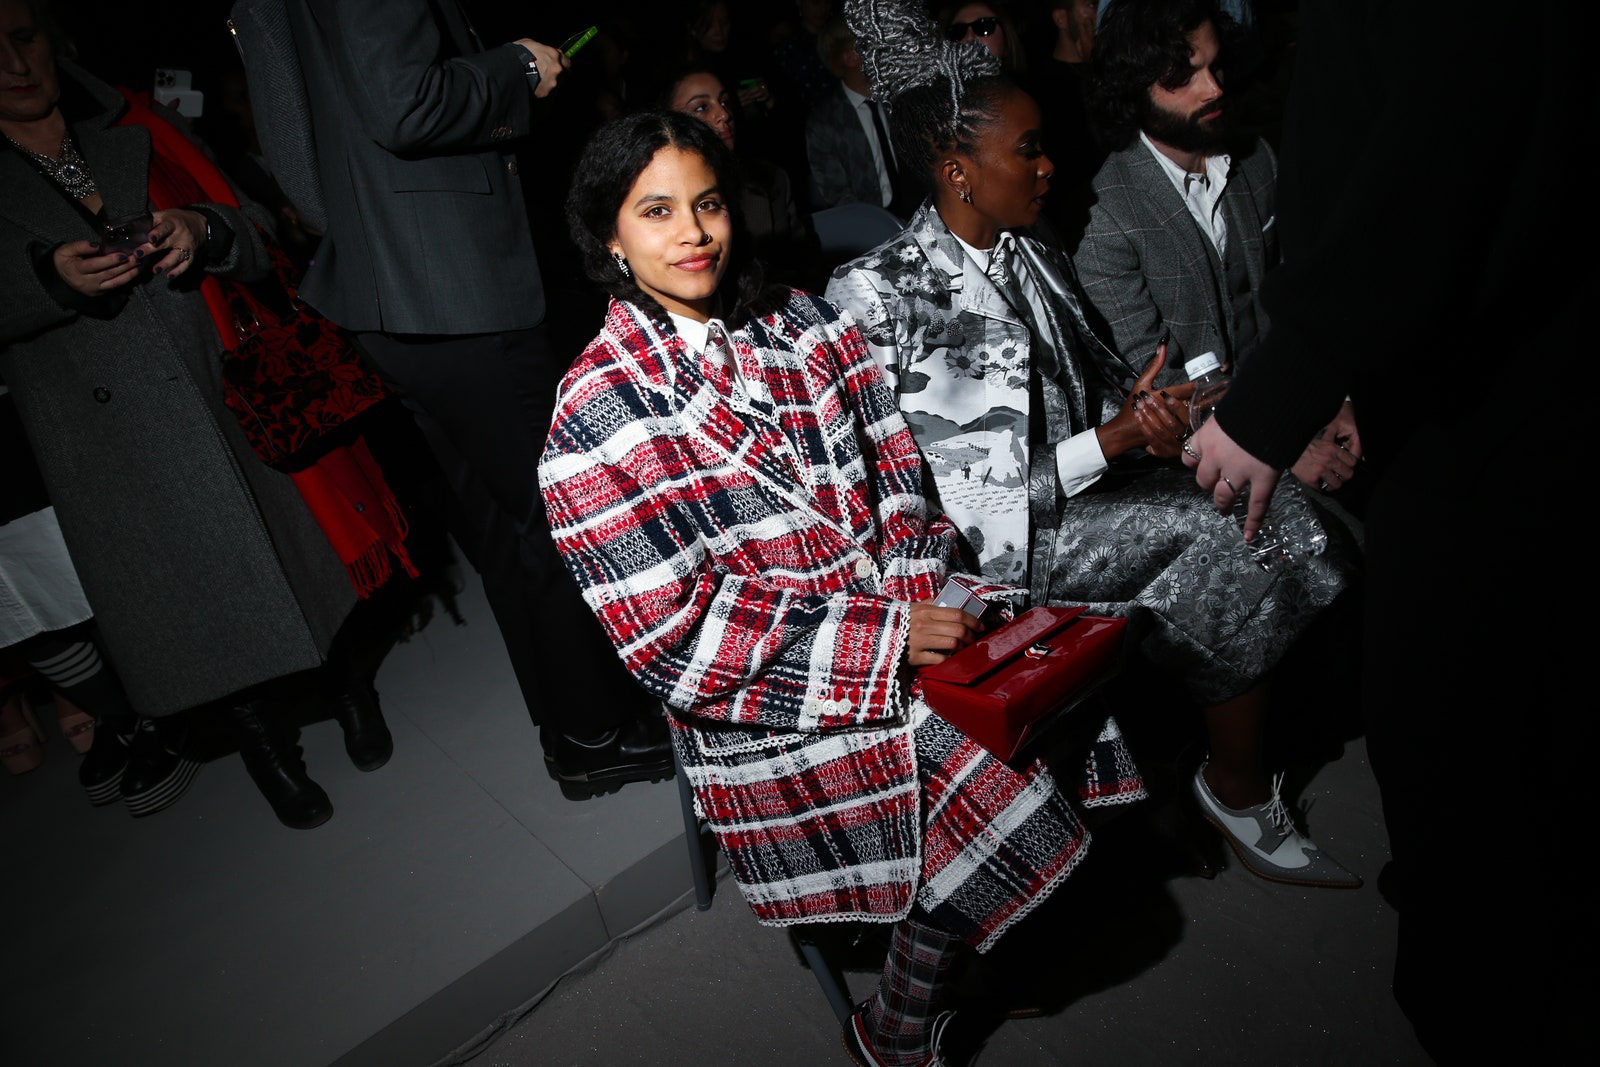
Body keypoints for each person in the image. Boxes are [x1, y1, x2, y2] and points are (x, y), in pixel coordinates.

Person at [542, 108, 1145, 1066]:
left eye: (706, 203)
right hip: (772, 707)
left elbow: (901, 477)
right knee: (1003, 792)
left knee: (1065, 687)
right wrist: (885, 641)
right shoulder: (590, 422)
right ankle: (897, 1026)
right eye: (655, 212)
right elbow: (674, 645)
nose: (693, 232)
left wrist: (917, 600)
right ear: (608, 235)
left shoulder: (801, 318)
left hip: (906, 609)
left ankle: (967, 936)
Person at [827, 0, 1362, 889]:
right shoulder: (880, 295)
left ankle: (1215, 764)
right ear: (957, 170)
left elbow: (1093, 381)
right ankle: (1233, 786)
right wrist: (1111, 445)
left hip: (1079, 499)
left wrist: (1142, 409)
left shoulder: (1028, 248)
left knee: (1263, 501)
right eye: (1027, 150)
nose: (1049, 166)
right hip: (991, 554)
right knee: (1232, 532)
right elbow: (949, 503)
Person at [1181, 0, 1590, 1057]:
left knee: (1463, 724)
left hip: (1483, 423)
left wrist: (1284, 394)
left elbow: (1427, 172)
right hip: (1444, 387)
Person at [0, 0, 391, 828]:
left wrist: (200, 228)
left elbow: (253, 228)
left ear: (52, 35)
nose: (13, 62)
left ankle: (350, 689)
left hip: (226, 389)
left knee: (302, 561)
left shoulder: (132, 121)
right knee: (197, 607)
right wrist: (47, 280)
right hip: (105, 438)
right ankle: (265, 751)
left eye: (24, 36)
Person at [274, 0, 672, 798]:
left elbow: (297, 158)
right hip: (459, 290)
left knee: (501, 528)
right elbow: (406, 102)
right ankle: (595, 732)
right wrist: (518, 69)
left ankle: (567, 726)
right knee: (557, 519)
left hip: (390, 293)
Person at [1077, 0, 1358, 497]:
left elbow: (1303, 296)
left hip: (1294, 404)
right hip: (1193, 463)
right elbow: (1156, 388)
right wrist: (1277, 439)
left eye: (1215, 65)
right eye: (1183, 77)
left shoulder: (1256, 160)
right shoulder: (1104, 213)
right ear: (1133, 91)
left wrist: (1338, 398)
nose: (1214, 89)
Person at [663, 65, 822, 289]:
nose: (724, 115)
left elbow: (803, 263)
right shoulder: (657, 202)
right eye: (701, 107)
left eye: (725, 102)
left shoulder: (770, 180)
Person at [805, 15, 915, 217]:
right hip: (870, 229)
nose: (885, 51)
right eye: (874, 46)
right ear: (851, 58)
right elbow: (835, 194)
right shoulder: (825, 122)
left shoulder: (898, 99)